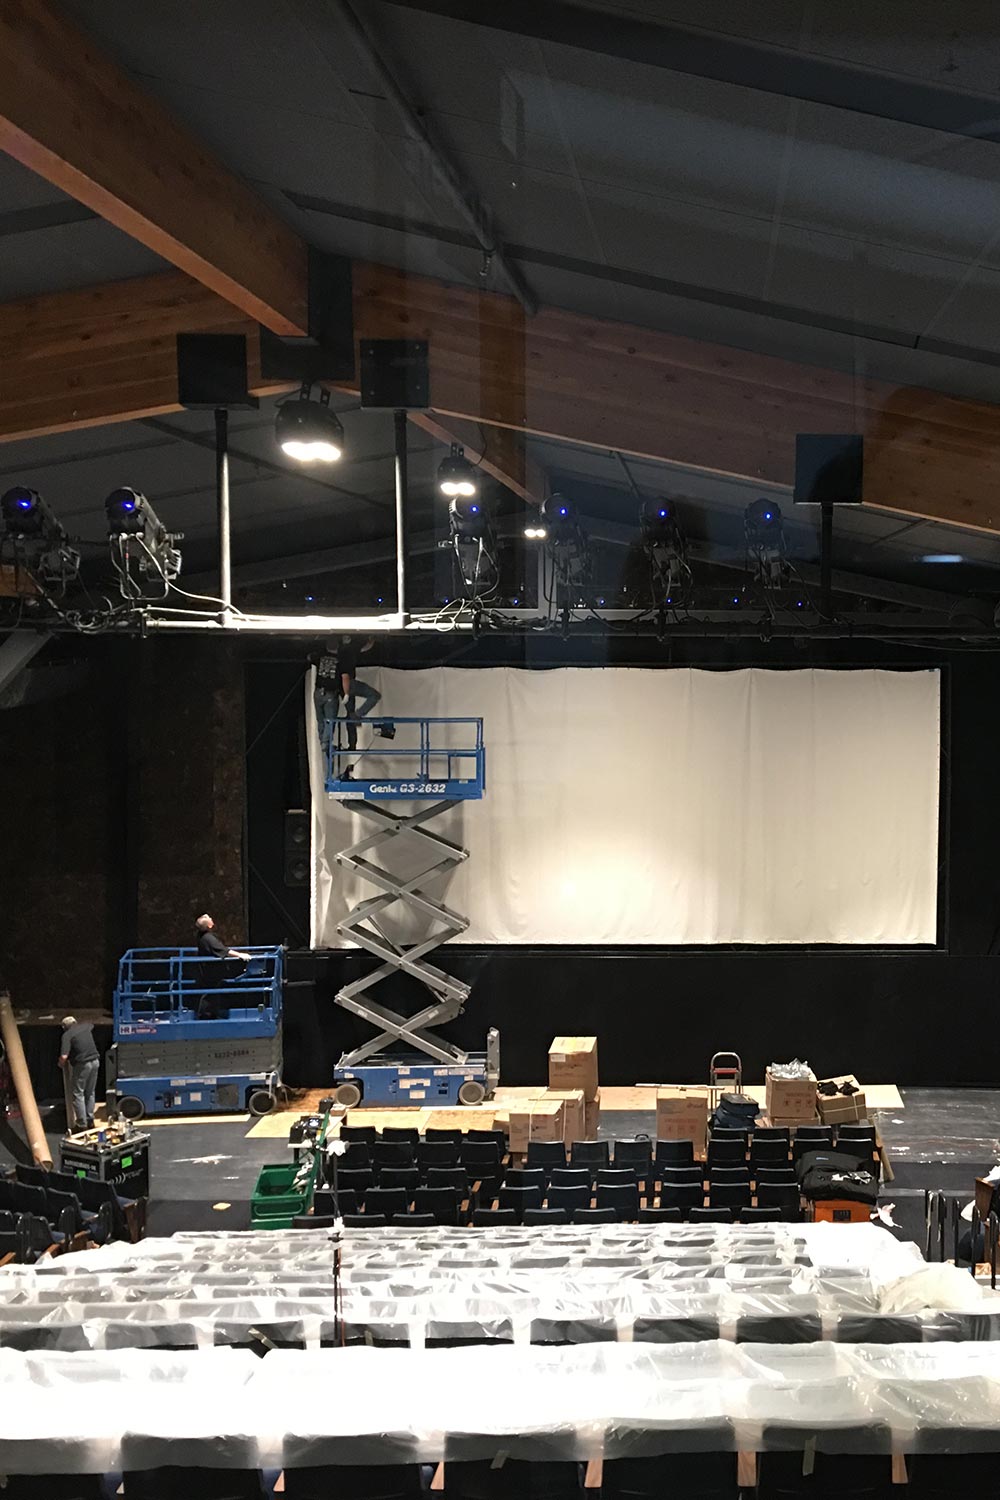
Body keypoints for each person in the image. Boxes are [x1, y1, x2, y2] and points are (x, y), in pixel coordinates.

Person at [58, 1016, 99, 1132]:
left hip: (82, 1065)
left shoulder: (67, 1035)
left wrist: (60, 1064)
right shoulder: (86, 1026)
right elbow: (91, 1025)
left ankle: (82, 1124)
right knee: (90, 1092)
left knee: (78, 1093)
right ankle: (90, 1120)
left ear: (64, 1027)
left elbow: (64, 1056)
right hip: (95, 1061)